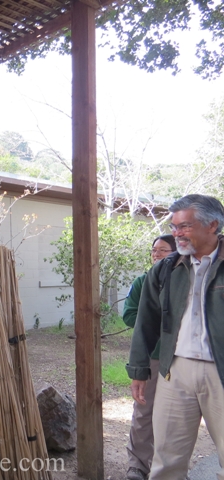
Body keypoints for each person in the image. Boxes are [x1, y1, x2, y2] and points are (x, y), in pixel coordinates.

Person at [127, 194, 224, 480]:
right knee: (166, 461)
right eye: (174, 226)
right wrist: (139, 370)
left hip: (221, 372)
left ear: (212, 225)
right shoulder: (166, 268)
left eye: (185, 226)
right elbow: (145, 320)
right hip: (175, 371)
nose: (176, 233)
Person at [123, 234, 177, 480]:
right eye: (154, 250)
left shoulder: (186, 280)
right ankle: (137, 466)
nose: (156, 254)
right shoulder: (142, 281)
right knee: (144, 411)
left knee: (177, 415)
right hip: (153, 356)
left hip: (182, 359)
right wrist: (156, 325)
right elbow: (130, 315)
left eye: (163, 250)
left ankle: (171, 468)